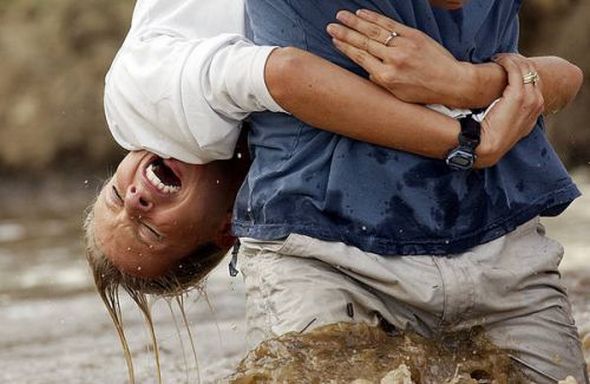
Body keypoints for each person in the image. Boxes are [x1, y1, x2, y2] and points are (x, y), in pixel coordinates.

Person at [83, 0, 585, 382]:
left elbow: (286, 74)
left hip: (494, 248)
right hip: (332, 257)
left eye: (113, 198)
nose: (135, 201)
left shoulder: (139, 104)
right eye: (148, 231)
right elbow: (553, 79)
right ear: (224, 231)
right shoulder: (252, 153)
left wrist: (463, 92)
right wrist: (471, 126)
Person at [233, 1, 588, 383]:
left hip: (504, 249)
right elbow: (291, 79)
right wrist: (471, 142)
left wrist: (464, 82)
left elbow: (563, 79)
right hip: (327, 254)